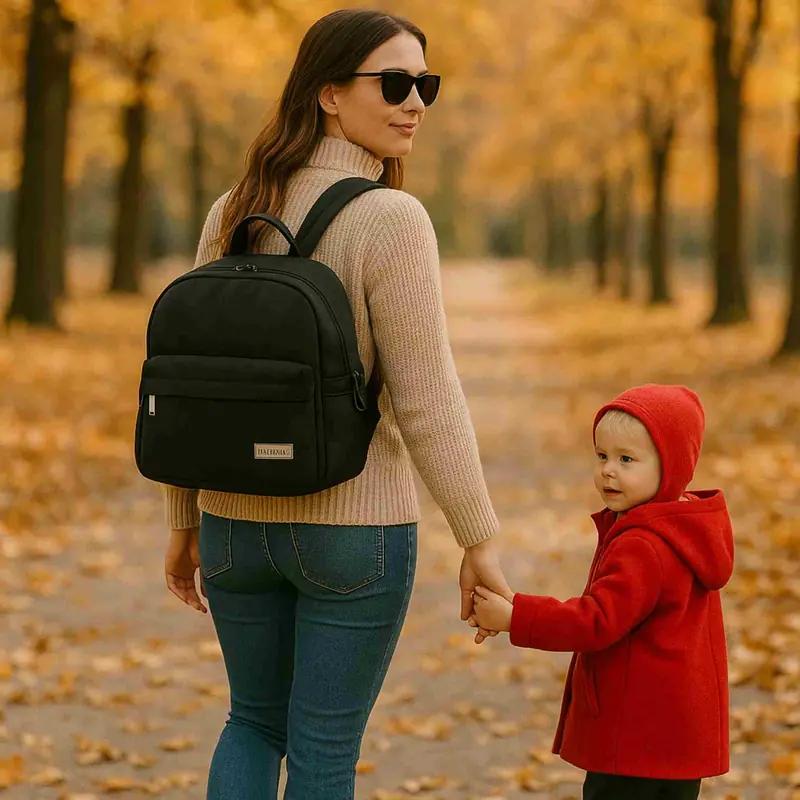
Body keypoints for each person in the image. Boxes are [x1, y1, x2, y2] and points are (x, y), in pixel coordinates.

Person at [158, 9, 510, 800]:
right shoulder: (390, 218)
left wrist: (185, 520)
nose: (415, 101)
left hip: (232, 529)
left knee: (250, 722)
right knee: (322, 746)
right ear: (327, 93)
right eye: (393, 83)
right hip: (354, 531)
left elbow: (191, 383)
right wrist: (478, 536)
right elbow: (426, 399)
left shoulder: (233, 209)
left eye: (426, 83)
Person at [470, 384, 734, 800]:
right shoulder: (685, 527)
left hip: (635, 739)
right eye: (602, 456)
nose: (609, 470)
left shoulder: (644, 544)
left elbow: (596, 620)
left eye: (627, 459)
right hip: (675, 738)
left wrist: (515, 616)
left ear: (672, 466)